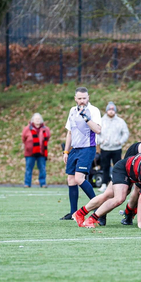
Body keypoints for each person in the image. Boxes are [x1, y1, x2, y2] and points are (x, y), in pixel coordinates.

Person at [60, 87, 102, 220]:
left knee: (79, 179)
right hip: (75, 149)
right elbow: (70, 132)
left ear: (88, 97)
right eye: (79, 98)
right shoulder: (72, 111)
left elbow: (98, 130)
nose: (82, 101)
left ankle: (99, 208)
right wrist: (66, 151)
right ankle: (73, 213)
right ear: (75, 99)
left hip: (87, 148)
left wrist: (86, 118)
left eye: (84, 98)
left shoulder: (93, 111)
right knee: (71, 180)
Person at [98, 102, 130, 192]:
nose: (111, 112)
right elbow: (96, 133)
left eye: (113, 110)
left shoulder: (120, 121)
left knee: (117, 166)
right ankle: (104, 183)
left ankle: (116, 183)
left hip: (116, 148)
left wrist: (120, 141)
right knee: (105, 166)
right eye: (109, 110)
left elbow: (125, 133)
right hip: (105, 148)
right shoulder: (101, 121)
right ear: (106, 111)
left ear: (115, 111)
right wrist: (101, 141)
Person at [21, 113, 50, 188]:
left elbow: (48, 137)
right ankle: (27, 183)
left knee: (42, 168)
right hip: (30, 153)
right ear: (32, 120)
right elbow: (23, 139)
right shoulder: (27, 129)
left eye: (39, 119)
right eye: (36, 119)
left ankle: (43, 183)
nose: (37, 120)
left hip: (42, 152)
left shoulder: (45, 129)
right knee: (28, 168)